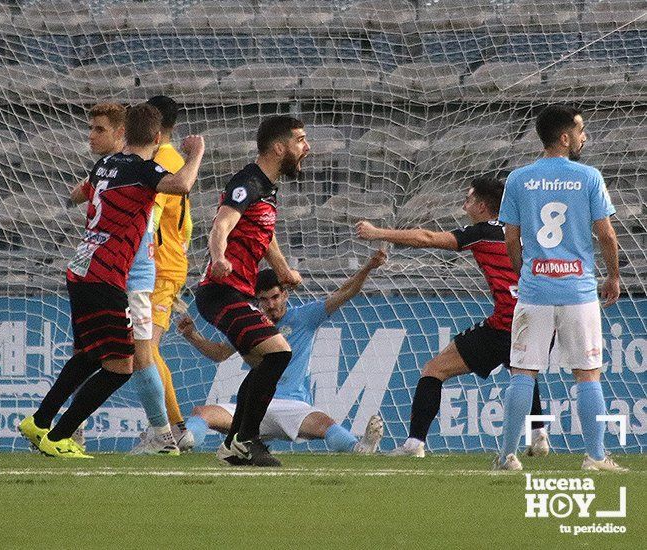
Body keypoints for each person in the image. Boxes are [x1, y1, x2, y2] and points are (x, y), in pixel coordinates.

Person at [19, 104, 204, 459]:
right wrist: (196, 154)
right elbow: (181, 184)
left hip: (81, 268)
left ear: (123, 134)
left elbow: (81, 193)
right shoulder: (145, 170)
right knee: (123, 365)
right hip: (108, 275)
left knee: (89, 355)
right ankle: (59, 436)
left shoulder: (104, 165)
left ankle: (40, 421)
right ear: (156, 137)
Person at [356, 178, 549, 458]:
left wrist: (377, 232)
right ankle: (539, 434)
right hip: (537, 314)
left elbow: (427, 238)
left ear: (482, 206)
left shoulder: (481, 233)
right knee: (522, 370)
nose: (463, 204)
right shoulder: (524, 231)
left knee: (434, 370)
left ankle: (414, 445)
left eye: (469, 199)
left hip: (507, 319)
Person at [493, 105, 625, 471]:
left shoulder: (519, 179)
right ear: (565, 138)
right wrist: (613, 276)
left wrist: (524, 272)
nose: (584, 137)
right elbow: (606, 234)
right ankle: (595, 457)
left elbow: (511, 236)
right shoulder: (589, 177)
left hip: (535, 290)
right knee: (587, 373)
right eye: (580, 130)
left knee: (523, 372)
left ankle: (506, 457)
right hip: (578, 291)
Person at [181, 253, 387, 452]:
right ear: (256, 302)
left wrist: (367, 267)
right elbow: (220, 353)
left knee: (325, 423)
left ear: (285, 294)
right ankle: (186, 441)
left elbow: (345, 292)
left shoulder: (305, 317)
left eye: (275, 297)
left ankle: (358, 448)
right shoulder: (249, 323)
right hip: (253, 406)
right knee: (202, 412)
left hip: (292, 405)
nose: (271, 305)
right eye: (264, 300)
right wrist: (192, 336)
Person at [194, 116, 307, 467]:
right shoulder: (247, 182)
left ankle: (235, 442)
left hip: (235, 292)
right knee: (277, 353)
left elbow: (264, 234)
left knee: (264, 361)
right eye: (301, 140)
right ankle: (243, 439)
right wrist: (218, 258)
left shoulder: (267, 188)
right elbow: (222, 224)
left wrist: (284, 269)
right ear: (279, 147)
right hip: (219, 289)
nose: (307, 147)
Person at [68, 102, 179, 455]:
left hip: (132, 273)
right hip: (105, 269)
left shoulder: (143, 169)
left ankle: (162, 434)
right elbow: (77, 195)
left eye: (99, 130)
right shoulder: (108, 167)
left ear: (121, 134)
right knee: (86, 352)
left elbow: (173, 191)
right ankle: (76, 431)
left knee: (140, 354)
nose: (91, 136)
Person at [146, 95, 196, 450]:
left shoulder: (164, 159)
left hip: (158, 268)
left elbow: (154, 208)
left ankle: (173, 430)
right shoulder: (168, 158)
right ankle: (174, 429)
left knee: (146, 349)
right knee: (140, 351)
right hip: (162, 264)